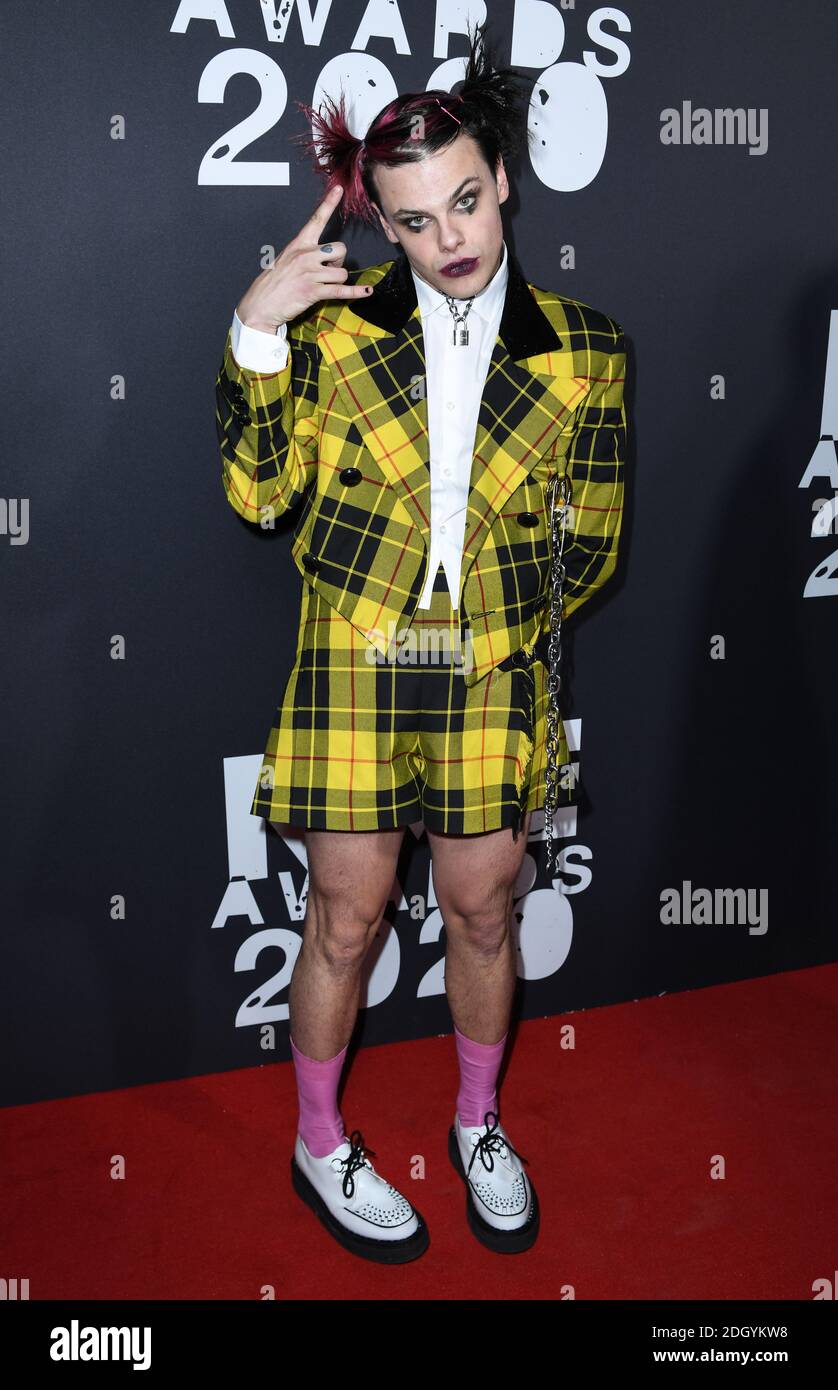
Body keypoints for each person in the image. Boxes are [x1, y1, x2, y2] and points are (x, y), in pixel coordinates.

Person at [215, 22, 626, 1264]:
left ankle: (474, 1122)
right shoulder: (336, 333)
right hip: (353, 655)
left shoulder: (585, 350)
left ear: (500, 177)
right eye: (413, 220)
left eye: (464, 201)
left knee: (484, 917)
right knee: (342, 922)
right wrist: (256, 331)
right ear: (380, 227)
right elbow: (256, 495)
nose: (450, 239)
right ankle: (320, 1139)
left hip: (492, 665)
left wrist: (495, 630)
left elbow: (591, 542)